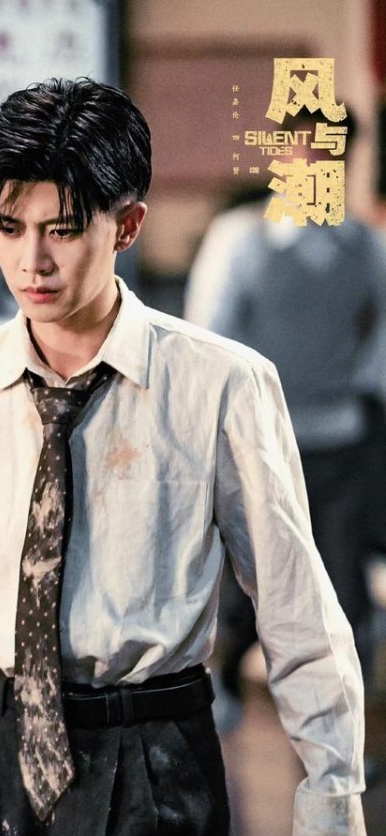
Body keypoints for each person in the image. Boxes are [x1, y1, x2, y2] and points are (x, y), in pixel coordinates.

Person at [0, 77, 367, 835]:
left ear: (128, 225)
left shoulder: (220, 386)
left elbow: (295, 608)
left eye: (63, 229)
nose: (32, 261)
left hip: (156, 751)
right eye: (9, 227)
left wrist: (332, 799)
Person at [184, 110, 386, 742]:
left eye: (330, 155)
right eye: (304, 152)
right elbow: (209, 336)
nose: (316, 165)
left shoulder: (365, 246)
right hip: (261, 445)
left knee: (343, 589)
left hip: (340, 441)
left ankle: (343, 730)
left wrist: (362, 385)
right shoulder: (243, 239)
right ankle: (216, 696)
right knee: (248, 587)